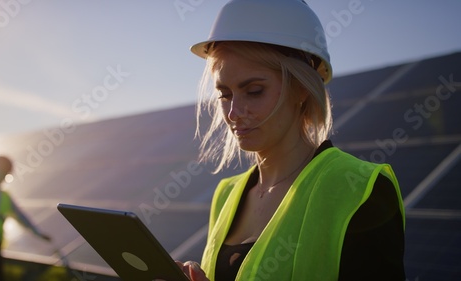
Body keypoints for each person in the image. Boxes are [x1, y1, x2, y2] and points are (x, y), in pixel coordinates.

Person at [169, 0, 406, 280]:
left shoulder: (359, 188)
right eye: (225, 94)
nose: (233, 113)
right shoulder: (225, 194)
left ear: (302, 89)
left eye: (254, 91)